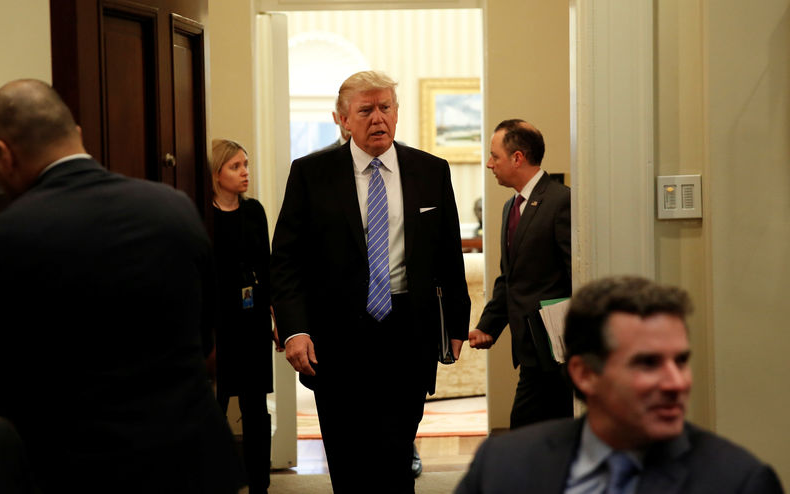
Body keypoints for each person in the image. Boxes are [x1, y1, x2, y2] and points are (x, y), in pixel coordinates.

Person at [0, 79, 244, 493]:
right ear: (78, 136)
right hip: (192, 462)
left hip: (79, 468)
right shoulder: (173, 208)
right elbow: (204, 342)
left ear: (2, 154)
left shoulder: (5, 239)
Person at [271, 70, 470, 493]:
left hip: (407, 333)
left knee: (397, 455)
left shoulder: (430, 170)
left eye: (385, 108)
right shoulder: (311, 174)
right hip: (337, 339)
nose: (378, 118)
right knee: (349, 460)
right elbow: (286, 260)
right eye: (365, 110)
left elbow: (448, 254)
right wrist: (295, 329)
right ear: (342, 120)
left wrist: (455, 323)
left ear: (396, 114)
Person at [456, 276, 785, 494]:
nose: (677, 382)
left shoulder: (738, 481)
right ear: (584, 374)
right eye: (647, 363)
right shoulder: (503, 466)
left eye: (681, 361)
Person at [469, 119, 573, 429]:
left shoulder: (560, 201)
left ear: (518, 158)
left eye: (495, 156)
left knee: (529, 430)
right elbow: (510, 278)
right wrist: (487, 326)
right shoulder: (510, 207)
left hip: (556, 348)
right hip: (529, 348)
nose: (490, 164)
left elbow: (576, 274)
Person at [208, 138, 277, 493]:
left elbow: (266, 268)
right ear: (217, 174)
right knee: (214, 406)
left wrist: (276, 318)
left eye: (246, 164)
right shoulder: (203, 215)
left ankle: (259, 484)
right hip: (218, 326)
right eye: (235, 167)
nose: (245, 172)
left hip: (252, 322)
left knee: (255, 408)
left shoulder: (255, 212)